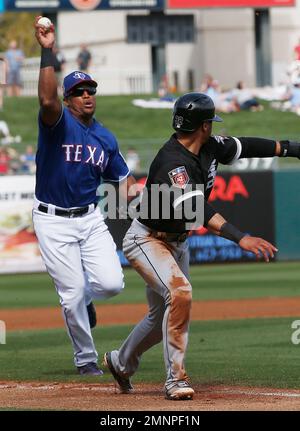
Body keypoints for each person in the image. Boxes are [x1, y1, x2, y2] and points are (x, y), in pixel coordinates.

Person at [103, 92, 300, 401]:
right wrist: (240, 237)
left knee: (160, 320)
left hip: (176, 242)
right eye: (210, 121)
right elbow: (198, 210)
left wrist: (290, 148)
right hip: (147, 239)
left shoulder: (209, 145)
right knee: (180, 293)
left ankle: (121, 363)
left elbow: (246, 146)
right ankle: (175, 380)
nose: (213, 127)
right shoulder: (173, 163)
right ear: (204, 126)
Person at [33, 17, 135, 375]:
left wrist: (144, 196)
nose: (87, 94)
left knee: (111, 284)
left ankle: (89, 300)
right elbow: (46, 98)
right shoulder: (57, 122)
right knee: (71, 294)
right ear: (68, 99)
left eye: (90, 89)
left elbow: (123, 179)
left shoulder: (105, 137)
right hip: (52, 218)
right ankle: (86, 360)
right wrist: (47, 50)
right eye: (79, 91)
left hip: (90, 218)